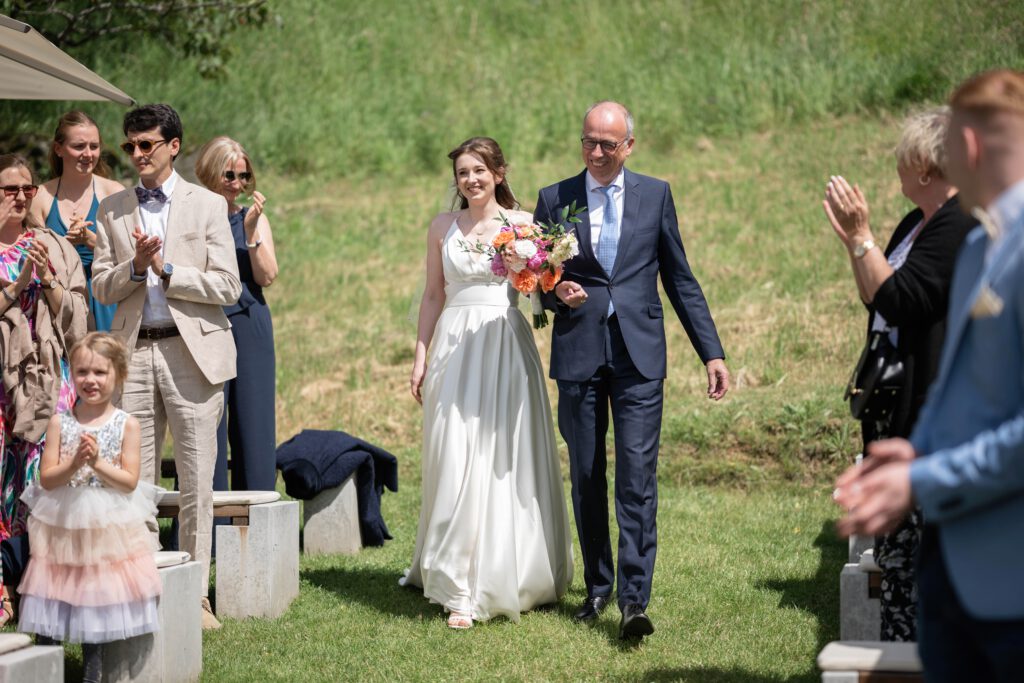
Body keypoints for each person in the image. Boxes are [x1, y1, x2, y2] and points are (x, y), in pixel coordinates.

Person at [835, 69, 1024, 682]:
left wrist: (925, 474)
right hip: (952, 558)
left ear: (963, 149)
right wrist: (914, 449)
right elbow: (962, 384)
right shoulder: (978, 246)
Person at [532, 102, 729, 640]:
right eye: (588, 142)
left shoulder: (656, 194)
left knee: (637, 480)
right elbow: (534, 277)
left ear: (629, 146)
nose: (596, 153)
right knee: (589, 476)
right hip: (579, 354)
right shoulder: (554, 198)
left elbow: (680, 278)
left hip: (640, 357)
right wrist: (556, 291)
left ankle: (634, 600)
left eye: (608, 145)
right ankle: (599, 587)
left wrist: (711, 351)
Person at [403, 137, 573, 629]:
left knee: (502, 459)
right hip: (455, 349)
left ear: (499, 172)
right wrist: (421, 355)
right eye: (462, 173)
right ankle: (455, 580)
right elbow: (433, 295)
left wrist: (542, 274)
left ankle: (503, 575)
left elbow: (542, 293)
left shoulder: (523, 226)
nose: (471, 179)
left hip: (503, 343)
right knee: (454, 454)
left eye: (479, 170)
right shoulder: (442, 226)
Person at [822, 107, 976, 641]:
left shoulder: (960, 223)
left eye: (902, 158)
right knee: (897, 552)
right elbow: (875, 292)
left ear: (925, 169)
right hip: (896, 402)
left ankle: (911, 652)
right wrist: (854, 241)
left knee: (915, 552)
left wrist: (863, 233)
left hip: (932, 403)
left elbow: (905, 300)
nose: (896, 167)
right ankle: (899, 643)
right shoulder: (918, 220)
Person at [92, 104, 241, 630]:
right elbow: (101, 285)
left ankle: (196, 595)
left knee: (199, 476)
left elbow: (228, 286)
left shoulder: (208, 206)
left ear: (173, 146)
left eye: (147, 144)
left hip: (191, 351)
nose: (137, 154)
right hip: (132, 353)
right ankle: (147, 588)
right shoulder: (111, 208)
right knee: (135, 481)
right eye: (130, 146)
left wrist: (167, 269)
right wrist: (134, 269)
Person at [18, 333, 161, 683]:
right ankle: (45, 664)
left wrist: (96, 463)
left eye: (100, 372)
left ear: (119, 374)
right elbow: (48, 478)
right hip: (63, 518)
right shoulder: (60, 422)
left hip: (105, 521)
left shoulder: (127, 423)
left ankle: (92, 671)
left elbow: (129, 480)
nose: (90, 380)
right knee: (53, 585)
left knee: (95, 593)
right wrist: (73, 464)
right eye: (82, 372)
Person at [0, 154, 88, 625]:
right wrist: (17, 287)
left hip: (47, 382)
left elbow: (78, 319)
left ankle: (43, 586)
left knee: (42, 483)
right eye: (8, 190)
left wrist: (48, 280)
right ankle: (3, 590)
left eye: (27, 190)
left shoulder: (53, 246)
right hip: (2, 385)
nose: (19, 197)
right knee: (1, 485)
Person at [194, 137, 278, 496]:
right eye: (230, 174)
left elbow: (267, 276)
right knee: (206, 421)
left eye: (245, 176)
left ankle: (257, 520)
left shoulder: (251, 218)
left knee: (254, 420)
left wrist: (251, 232)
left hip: (249, 321)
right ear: (211, 171)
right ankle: (207, 528)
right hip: (207, 321)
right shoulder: (192, 215)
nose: (238, 184)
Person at [30, 111, 125, 332]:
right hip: (58, 299)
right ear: (58, 149)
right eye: (79, 146)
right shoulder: (40, 197)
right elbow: (32, 258)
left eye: (94, 146)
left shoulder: (114, 193)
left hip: (105, 299)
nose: (88, 154)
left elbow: (130, 258)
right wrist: (65, 246)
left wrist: (93, 241)